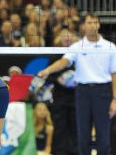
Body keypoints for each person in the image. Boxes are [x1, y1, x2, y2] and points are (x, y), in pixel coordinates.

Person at [38, 13, 116, 155]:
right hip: (83, 92)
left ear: (99, 25)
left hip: (103, 92)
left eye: (95, 22)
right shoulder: (77, 46)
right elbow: (64, 62)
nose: (92, 25)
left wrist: (115, 99)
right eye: (89, 22)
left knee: (103, 134)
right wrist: (48, 70)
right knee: (83, 133)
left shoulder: (110, 47)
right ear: (84, 26)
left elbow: (114, 74)